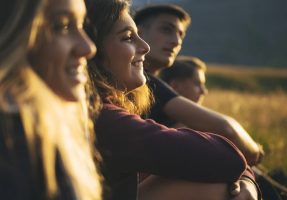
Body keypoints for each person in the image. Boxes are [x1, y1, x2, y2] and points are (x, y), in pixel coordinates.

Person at [85, 0, 260, 200]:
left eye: (180, 34)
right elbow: (229, 150)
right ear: (90, 50)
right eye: (127, 38)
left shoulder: (109, 108)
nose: (145, 47)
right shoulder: (102, 117)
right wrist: (249, 173)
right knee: (217, 187)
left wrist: (247, 179)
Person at [134, 4, 264, 166]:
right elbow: (228, 129)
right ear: (138, 32)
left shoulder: (146, 82)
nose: (176, 41)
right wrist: (256, 153)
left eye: (181, 34)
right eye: (166, 30)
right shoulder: (144, 82)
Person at [0, 0, 102, 199]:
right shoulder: (14, 133)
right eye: (62, 26)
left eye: (81, 25)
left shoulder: (46, 120)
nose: (88, 47)